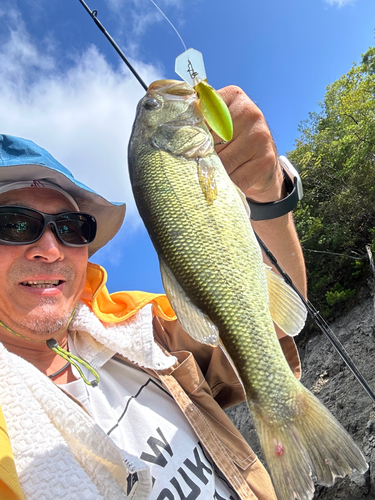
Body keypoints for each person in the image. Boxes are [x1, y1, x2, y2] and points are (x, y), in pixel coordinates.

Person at [0, 86, 306, 500]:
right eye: (15, 225)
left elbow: (271, 329)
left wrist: (267, 194)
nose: (51, 249)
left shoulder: (143, 331)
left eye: (72, 228)